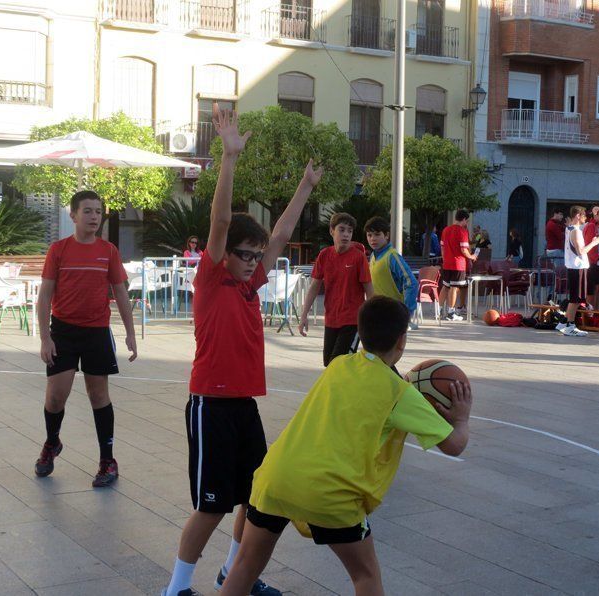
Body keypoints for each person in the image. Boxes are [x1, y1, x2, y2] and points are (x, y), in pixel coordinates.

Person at [161, 105, 323, 596]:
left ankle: (234, 576)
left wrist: (306, 187)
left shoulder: (250, 286)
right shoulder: (212, 279)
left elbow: (280, 235)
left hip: (243, 406)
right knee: (211, 505)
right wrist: (229, 157)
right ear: (224, 253)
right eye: (244, 254)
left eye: (257, 257)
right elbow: (219, 219)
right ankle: (176, 590)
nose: (254, 262)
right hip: (210, 404)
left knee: (256, 500)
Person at [219, 296, 472, 596]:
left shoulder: (339, 365)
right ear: (402, 341)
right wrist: (462, 418)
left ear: (361, 334)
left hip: (276, 477)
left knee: (245, 565)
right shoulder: (399, 393)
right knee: (365, 575)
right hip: (331, 493)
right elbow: (455, 446)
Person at [34, 190, 137, 488]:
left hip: (96, 332)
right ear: (73, 215)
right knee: (56, 396)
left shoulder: (109, 251)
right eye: (88, 211)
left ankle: (108, 460)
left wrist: (130, 333)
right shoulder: (59, 250)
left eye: (98, 211)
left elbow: (120, 293)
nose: (94, 216)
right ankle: (52, 443)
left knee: (98, 395)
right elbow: (45, 296)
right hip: (63, 331)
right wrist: (45, 338)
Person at [298, 213, 373, 366]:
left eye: (350, 231)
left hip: (353, 320)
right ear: (332, 231)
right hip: (331, 319)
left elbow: (369, 290)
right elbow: (314, 286)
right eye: (342, 230)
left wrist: (372, 319)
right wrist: (304, 314)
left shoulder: (359, 258)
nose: (346, 234)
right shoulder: (324, 255)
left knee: (337, 363)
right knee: (329, 363)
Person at [364, 216, 419, 331]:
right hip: (377, 314)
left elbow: (411, 283)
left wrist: (406, 313)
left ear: (386, 235)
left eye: (377, 234)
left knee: (387, 349)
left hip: (393, 316)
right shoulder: (373, 256)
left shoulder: (392, 256)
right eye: (369, 235)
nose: (373, 239)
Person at [557, 206, 599, 337]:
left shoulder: (570, 228)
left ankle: (564, 322)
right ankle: (570, 325)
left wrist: (594, 215)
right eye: (583, 216)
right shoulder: (575, 231)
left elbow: (586, 226)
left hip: (575, 267)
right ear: (578, 216)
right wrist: (594, 243)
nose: (585, 218)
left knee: (577, 298)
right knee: (576, 299)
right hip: (577, 267)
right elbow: (580, 251)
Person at [439, 210, 477, 321]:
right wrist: (472, 257)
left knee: (445, 287)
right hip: (458, 264)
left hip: (446, 263)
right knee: (454, 288)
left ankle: (439, 311)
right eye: (467, 220)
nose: (467, 223)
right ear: (464, 219)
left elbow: (442, 248)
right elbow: (464, 250)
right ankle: (451, 313)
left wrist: (445, 258)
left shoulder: (445, 230)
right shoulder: (462, 231)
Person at [583, 208, 599, 308]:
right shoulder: (591, 226)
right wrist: (597, 260)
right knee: (592, 290)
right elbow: (590, 246)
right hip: (593, 263)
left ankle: (597, 312)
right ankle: (590, 313)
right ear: (595, 215)